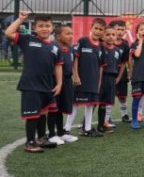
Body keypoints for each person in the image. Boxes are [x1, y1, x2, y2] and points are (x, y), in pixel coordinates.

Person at [5, 12, 62, 152]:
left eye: (47, 25)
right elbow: (8, 33)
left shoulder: (55, 47)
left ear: (52, 27)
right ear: (35, 28)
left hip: (47, 86)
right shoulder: (27, 40)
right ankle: (29, 143)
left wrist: (59, 83)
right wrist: (21, 19)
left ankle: (41, 138)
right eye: (40, 26)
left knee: (43, 112)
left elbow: (58, 66)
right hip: (31, 85)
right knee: (32, 114)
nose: (44, 28)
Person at [69, 17, 106, 137]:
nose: (98, 31)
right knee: (75, 104)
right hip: (80, 80)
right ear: (91, 28)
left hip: (93, 81)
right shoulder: (83, 41)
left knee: (90, 104)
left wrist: (99, 83)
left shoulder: (101, 46)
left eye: (101, 29)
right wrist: (75, 75)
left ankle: (87, 129)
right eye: (96, 28)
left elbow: (101, 67)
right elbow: (75, 58)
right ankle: (66, 129)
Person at [48, 25, 78, 144]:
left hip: (67, 81)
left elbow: (74, 63)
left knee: (61, 108)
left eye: (71, 33)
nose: (71, 36)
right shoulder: (53, 48)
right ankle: (51, 134)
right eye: (67, 33)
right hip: (54, 82)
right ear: (58, 36)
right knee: (53, 108)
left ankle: (61, 133)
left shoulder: (71, 49)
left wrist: (75, 75)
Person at [97, 26, 122, 132]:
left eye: (113, 34)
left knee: (104, 103)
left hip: (111, 79)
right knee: (94, 102)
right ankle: (86, 125)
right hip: (101, 78)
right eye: (108, 34)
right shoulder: (100, 48)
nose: (111, 37)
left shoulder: (117, 51)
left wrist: (117, 78)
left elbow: (118, 65)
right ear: (103, 36)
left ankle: (101, 125)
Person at [109, 20, 130, 124]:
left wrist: (121, 76)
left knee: (122, 96)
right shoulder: (106, 42)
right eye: (118, 29)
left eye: (123, 30)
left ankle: (124, 114)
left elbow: (124, 62)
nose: (120, 32)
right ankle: (106, 117)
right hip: (108, 72)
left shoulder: (125, 45)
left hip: (121, 73)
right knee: (108, 96)